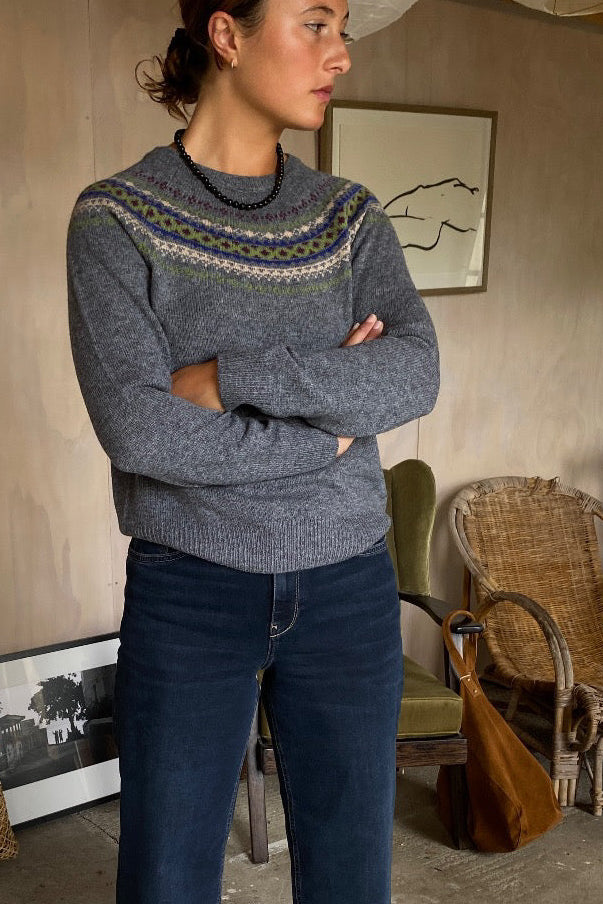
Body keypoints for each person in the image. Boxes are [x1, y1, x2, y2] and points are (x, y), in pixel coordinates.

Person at [66, 1, 439, 902]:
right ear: (226, 35)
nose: (340, 55)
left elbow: (414, 371)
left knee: (352, 878)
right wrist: (329, 436)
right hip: (188, 589)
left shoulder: (348, 217)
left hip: (350, 586)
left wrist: (228, 374)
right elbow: (142, 430)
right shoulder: (116, 219)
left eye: (343, 28)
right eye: (315, 24)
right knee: (165, 878)